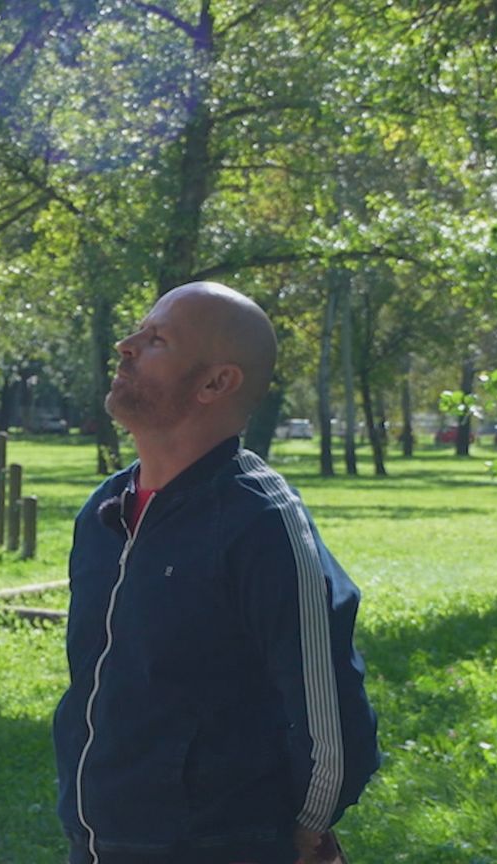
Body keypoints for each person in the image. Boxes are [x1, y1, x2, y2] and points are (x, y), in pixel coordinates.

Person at [52, 281, 380, 864]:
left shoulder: (262, 521)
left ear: (215, 383)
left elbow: (330, 712)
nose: (127, 345)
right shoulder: (105, 509)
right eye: (138, 332)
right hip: (97, 839)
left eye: (157, 340)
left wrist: (309, 825)